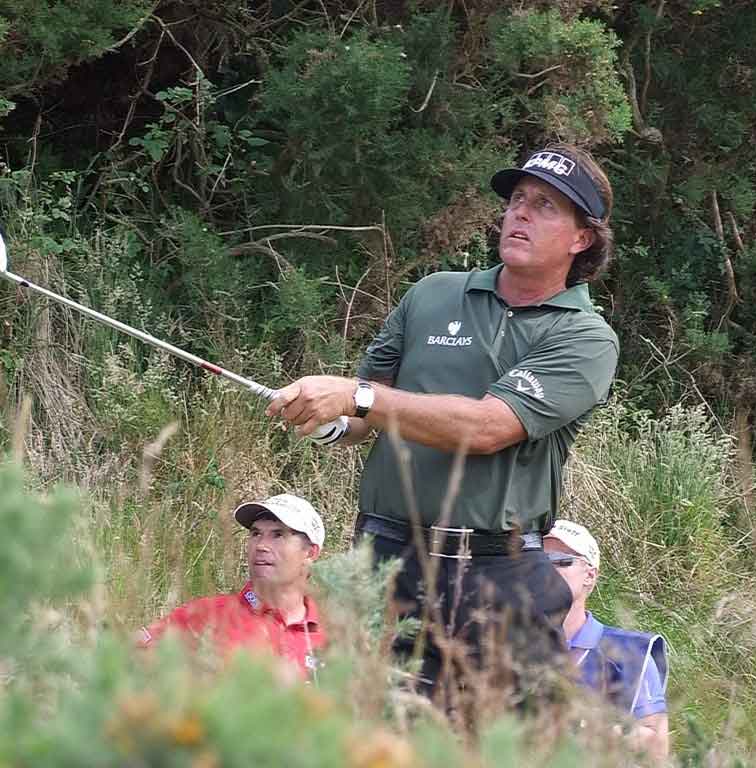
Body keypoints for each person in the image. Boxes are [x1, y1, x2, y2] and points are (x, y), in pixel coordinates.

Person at [267, 144, 619, 699]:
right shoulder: (432, 295)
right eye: (517, 200)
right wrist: (327, 417)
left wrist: (356, 397)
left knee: (503, 743)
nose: (521, 213)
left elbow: (485, 428)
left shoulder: (586, 338)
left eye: (546, 206)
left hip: (493, 572)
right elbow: (363, 417)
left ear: (583, 239)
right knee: (368, 737)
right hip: (384, 558)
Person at [138, 493, 327, 680]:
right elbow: (127, 656)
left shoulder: (333, 635)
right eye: (255, 534)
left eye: (278, 535)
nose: (261, 545)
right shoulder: (207, 614)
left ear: (310, 553)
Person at [544, 520, 670, 762]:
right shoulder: (509, 643)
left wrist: (582, 730)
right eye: (538, 562)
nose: (547, 570)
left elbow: (656, 745)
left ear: (589, 576)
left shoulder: (630, 651)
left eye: (561, 561)